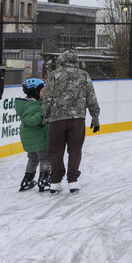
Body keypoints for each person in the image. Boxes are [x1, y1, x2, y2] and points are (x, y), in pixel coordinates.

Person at [41, 49, 100, 194]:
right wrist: (95, 116)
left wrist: (45, 115)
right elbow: (91, 96)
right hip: (77, 119)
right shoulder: (84, 75)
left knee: (55, 151)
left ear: (61, 60)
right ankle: (73, 181)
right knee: (75, 150)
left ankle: (55, 182)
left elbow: (48, 97)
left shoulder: (54, 75)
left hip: (57, 119)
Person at [15, 78, 51, 192]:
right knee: (44, 158)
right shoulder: (33, 106)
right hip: (39, 138)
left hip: (32, 139)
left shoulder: (29, 104)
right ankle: (44, 180)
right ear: (34, 92)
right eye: (43, 91)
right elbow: (30, 121)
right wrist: (42, 115)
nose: (45, 94)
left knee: (33, 159)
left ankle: (28, 180)